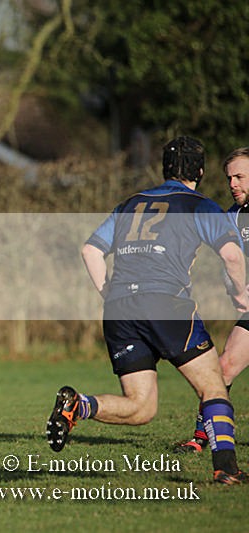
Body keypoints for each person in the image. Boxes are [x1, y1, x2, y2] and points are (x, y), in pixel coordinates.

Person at [46, 136, 249, 485]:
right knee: (213, 386)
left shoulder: (129, 204)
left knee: (141, 407)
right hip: (165, 303)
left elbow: (90, 251)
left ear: (164, 169)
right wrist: (243, 295)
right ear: (199, 171)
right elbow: (232, 255)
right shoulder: (200, 205)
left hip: (119, 310)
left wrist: (108, 292)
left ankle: (78, 406)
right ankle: (227, 470)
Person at [174, 146, 249, 453]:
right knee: (225, 366)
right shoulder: (232, 217)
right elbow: (228, 262)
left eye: (240, 177)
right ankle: (201, 437)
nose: (232, 184)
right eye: (229, 177)